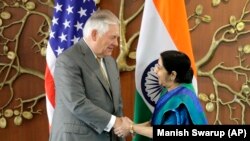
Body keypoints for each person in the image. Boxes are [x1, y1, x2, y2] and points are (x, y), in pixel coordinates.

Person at [49, 9, 127, 141]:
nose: (116, 43)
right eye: (113, 37)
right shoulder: (68, 60)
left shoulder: (111, 62)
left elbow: (116, 106)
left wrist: (121, 132)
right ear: (95, 34)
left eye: (117, 38)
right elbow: (77, 104)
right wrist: (116, 122)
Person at [114, 50, 208, 138]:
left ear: (172, 75)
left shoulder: (180, 103)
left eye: (159, 68)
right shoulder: (169, 91)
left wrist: (132, 128)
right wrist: (132, 127)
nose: (155, 70)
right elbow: (155, 123)